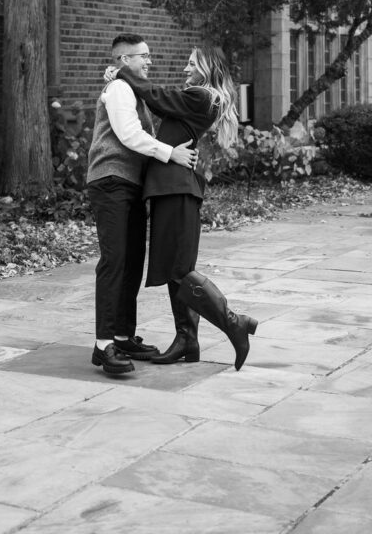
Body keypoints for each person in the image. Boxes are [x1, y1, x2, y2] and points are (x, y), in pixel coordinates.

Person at [105, 43, 258, 371]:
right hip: (170, 188)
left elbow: (157, 96)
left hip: (177, 188)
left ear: (207, 66)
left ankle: (234, 322)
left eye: (192, 63)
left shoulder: (202, 97)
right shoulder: (197, 98)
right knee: (177, 268)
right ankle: (187, 340)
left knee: (180, 269)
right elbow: (159, 103)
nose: (186, 69)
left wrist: (123, 73)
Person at [85, 32, 199, 377]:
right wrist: (171, 153)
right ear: (124, 60)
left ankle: (121, 336)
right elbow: (129, 135)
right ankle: (104, 344)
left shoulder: (130, 88)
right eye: (143, 56)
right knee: (115, 261)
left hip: (129, 184)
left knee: (132, 262)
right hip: (110, 181)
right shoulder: (119, 89)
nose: (149, 61)